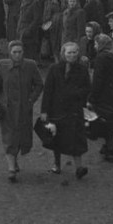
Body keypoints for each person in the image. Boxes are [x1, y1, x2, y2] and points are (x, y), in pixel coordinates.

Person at [0, 39, 44, 182]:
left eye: (20, 52)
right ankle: (11, 168)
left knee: (21, 137)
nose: (17, 55)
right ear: (10, 53)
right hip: (7, 109)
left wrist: (31, 100)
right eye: (14, 52)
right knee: (9, 138)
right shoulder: (2, 65)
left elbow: (39, 84)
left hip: (24, 109)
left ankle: (15, 158)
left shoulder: (31, 66)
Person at [40, 40, 91, 180]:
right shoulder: (54, 69)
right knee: (56, 137)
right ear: (63, 53)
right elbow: (48, 91)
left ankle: (79, 167)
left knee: (76, 139)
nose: (72, 55)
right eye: (69, 52)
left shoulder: (82, 69)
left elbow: (87, 88)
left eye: (75, 52)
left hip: (74, 109)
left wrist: (77, 95)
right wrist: (44, 111)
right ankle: (56, 165)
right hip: (57, 109)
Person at [88, 33, 113, 163]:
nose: (94, 46)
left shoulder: (101, 58)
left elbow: (98, 79)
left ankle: (110, 149)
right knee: (112, 121)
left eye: (95, 43)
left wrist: (92, 96)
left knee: (105, 122)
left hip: (104, 95)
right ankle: (107, 146)